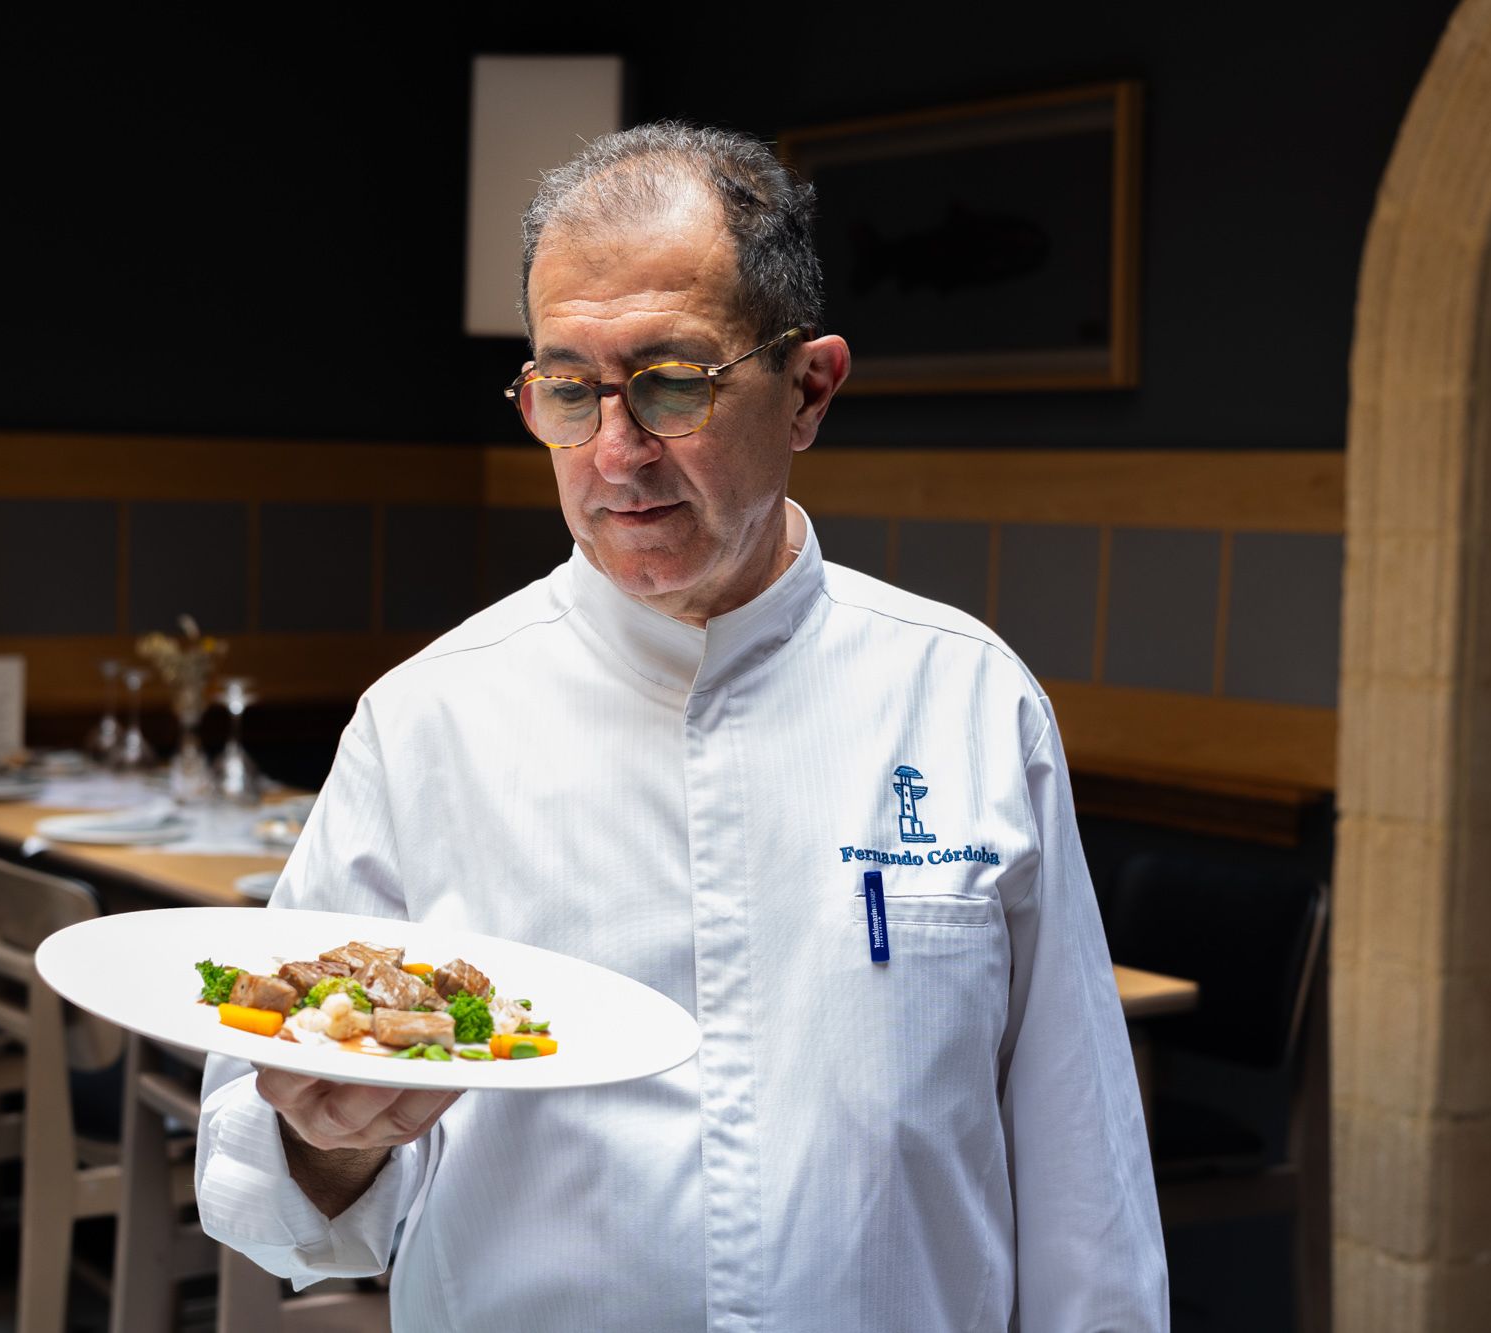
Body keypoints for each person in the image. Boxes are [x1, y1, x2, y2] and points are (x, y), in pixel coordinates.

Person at [196, 122, 1167, 1331]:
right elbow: (258, 1185)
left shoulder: (968, 698)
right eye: (566, 389)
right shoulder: (425, 720)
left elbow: (1083, 1179)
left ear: (807, 389)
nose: (613, 452)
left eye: (671, 383)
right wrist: (330, 1145)